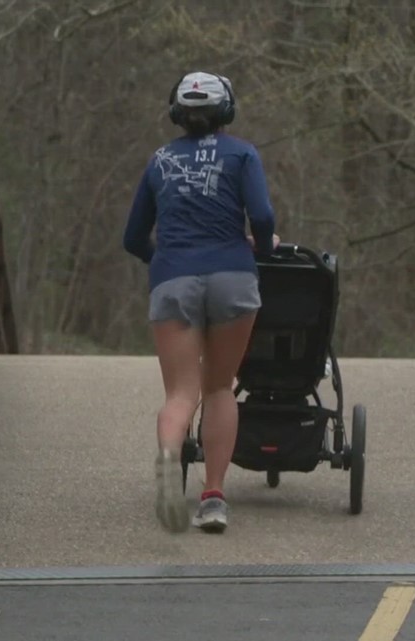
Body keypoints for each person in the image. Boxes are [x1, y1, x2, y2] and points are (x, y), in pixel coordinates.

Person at [122, 71, 279, 534]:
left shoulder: (159, 160)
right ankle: (212, 498)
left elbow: (132, 238)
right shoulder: (243, 154)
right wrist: (263, 249)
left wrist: (166, 263)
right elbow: (264, 216)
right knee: (218, 387)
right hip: (232, 277)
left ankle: (171, 461)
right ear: (226, 110)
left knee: (180, 394)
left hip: (174, 280)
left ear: (177, 113)